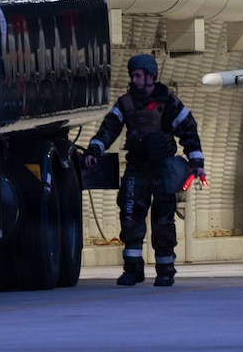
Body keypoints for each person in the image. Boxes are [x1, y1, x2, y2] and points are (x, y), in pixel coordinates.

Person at [85, 53, 206, 286]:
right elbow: (109, 129)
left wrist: (197, 164)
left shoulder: (169, 103)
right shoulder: (126, 104)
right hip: (137, 169)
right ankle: (132, 269)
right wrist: (94, 150)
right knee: (130, 217)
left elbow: (189, 131)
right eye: (132, 75)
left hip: (162, 171)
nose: (134, 79)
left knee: (163, 222)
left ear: (151, 76)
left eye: (138, 75)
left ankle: (165, 270)